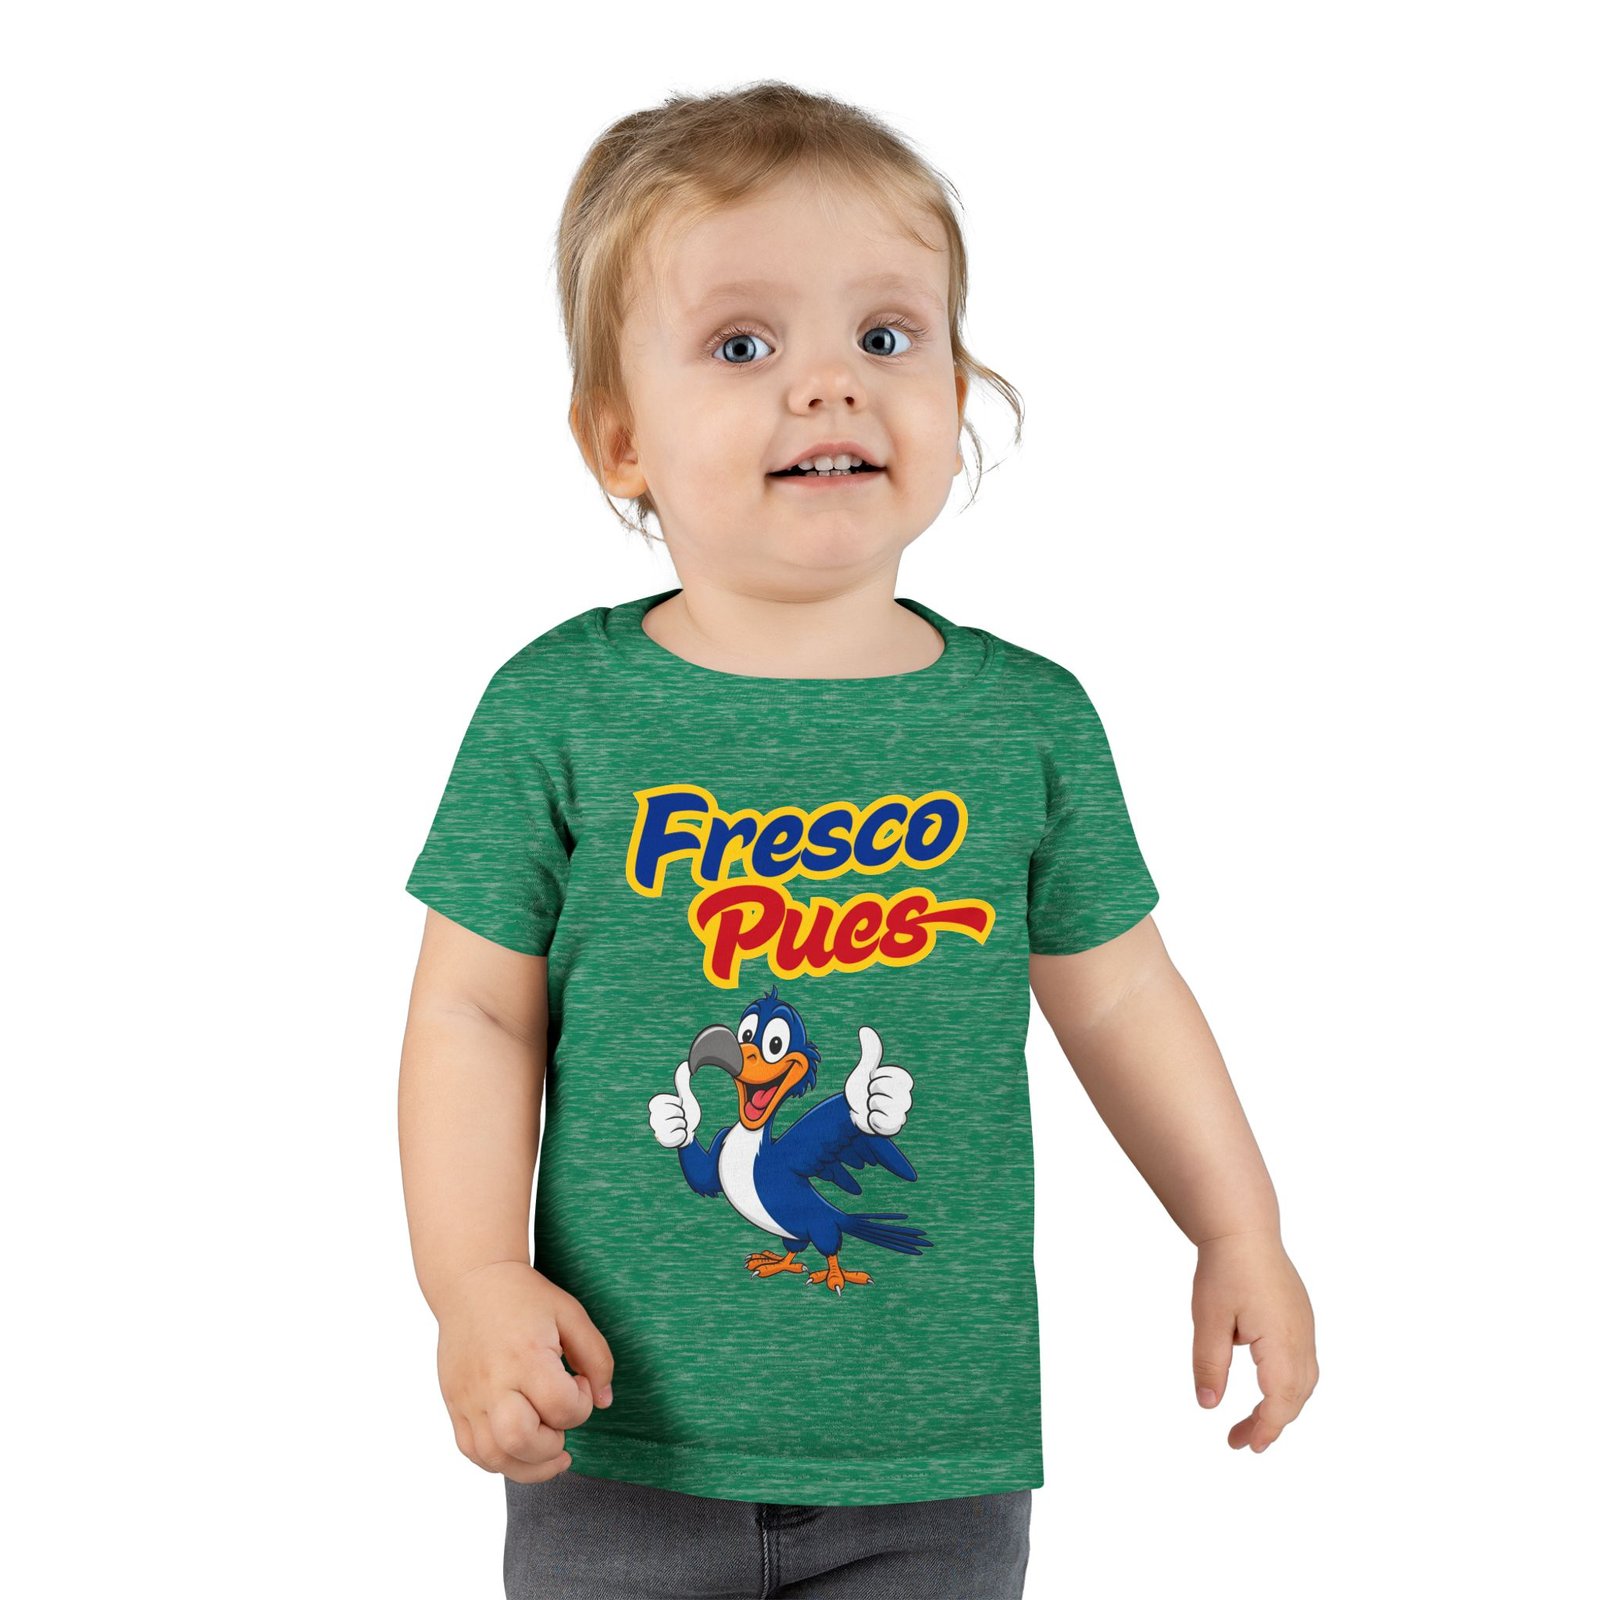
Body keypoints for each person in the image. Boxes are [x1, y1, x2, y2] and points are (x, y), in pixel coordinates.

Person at [398, 80, 1318, 1600]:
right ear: (619, 438)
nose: (830, 385)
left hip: (934, 1464)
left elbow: (1122, 996)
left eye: (887, 336)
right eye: (742, 345)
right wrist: (474, 1280)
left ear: (958, 390)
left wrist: (1241, 1226)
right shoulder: (557, 711)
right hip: (615, 1440)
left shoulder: (1026, 722)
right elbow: (474, 1015)